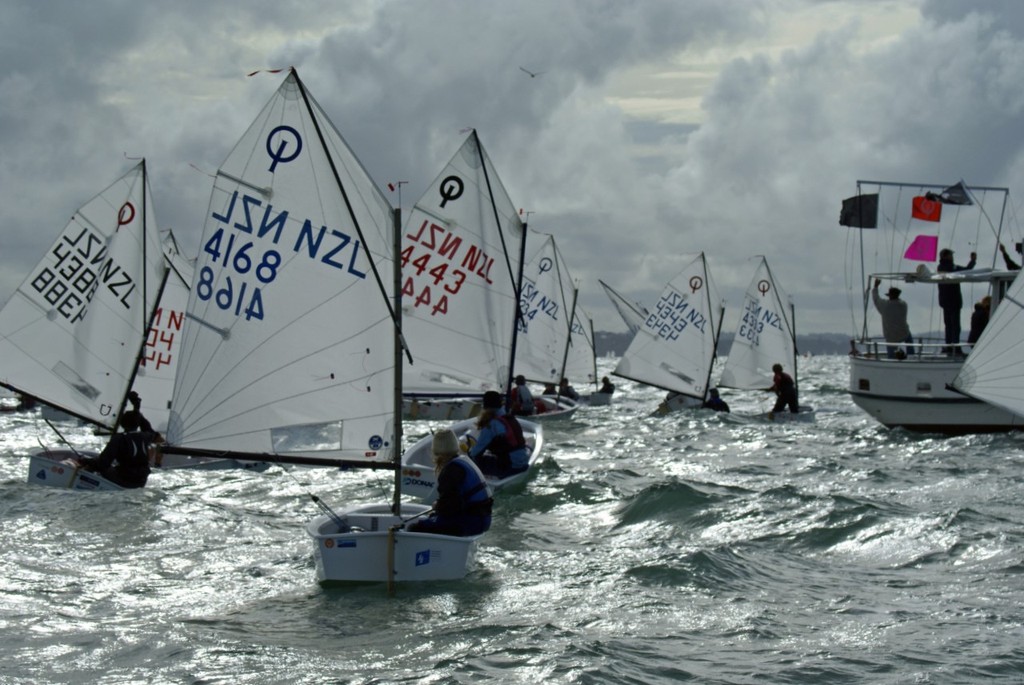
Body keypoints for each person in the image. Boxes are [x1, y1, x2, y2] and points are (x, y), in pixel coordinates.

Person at [408, 429, 492, 537]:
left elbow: (450, 507)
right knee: (432, 518)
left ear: (436, 451)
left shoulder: (451, 471)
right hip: (482, 520)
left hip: (471, 522)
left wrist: (438, 505)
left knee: (415, 528)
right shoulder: (464, 460)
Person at [81, 409, 161, 488]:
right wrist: (138, 413)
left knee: (96, 466)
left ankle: (81, 483)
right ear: (138, 424)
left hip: (124, 481)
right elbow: (151, 431)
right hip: (141, 482)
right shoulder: (145, 436)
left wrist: (84, 461)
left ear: (121, 424)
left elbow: (103, 464)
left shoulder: (119, 439)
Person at [467, 390, 530, 478]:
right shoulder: (510, 418)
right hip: (523, 464)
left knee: (472, 460)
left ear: (485, 407)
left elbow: (475, 453)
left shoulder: (491, 424)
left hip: (510, 468)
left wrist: (468, 453)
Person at [937, 248, 976, 355]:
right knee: (955, 326)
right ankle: (955, 347)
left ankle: (949, 346)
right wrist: (972, 261)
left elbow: (966, 270)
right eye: (950, 255)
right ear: (945, 256)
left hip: (945, 301)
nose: (952, 257)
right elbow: (966, 270)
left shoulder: (941, 267)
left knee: (949, 325)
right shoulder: (949, 267)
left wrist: (972, 262)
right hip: (953, 301)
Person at [871, 279, 914, 359]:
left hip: (891, 336)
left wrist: (876, 286)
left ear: (889, 296)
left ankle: (892, 359)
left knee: (891, 351)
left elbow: (876, 299)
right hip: (904, 333)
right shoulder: (904, 305)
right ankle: (912, 356)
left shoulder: (885, 306)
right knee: (909, 339)